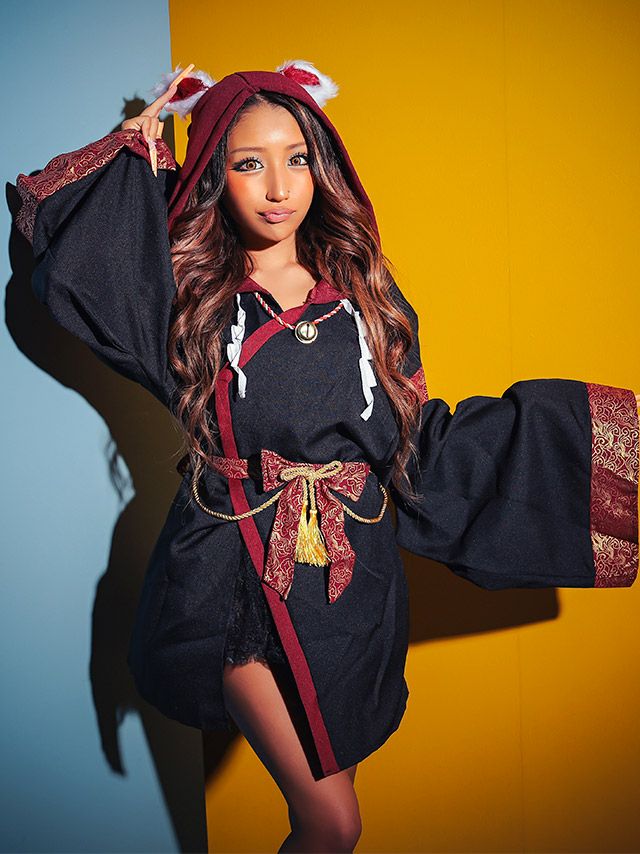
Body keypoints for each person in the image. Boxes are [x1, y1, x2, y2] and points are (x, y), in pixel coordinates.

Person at [15, 60, 639, 853]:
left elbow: (413, 440)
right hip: (231, 572)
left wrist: (586, 446)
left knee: (328, 816)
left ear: (323, 166)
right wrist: (138, 143)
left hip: (346, 581)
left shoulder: (364, 296)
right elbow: (86, 269)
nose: (279, 186)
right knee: (333, 823)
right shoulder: (191, 295)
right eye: (249, 162)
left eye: (297, 158)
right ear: (215, 174)